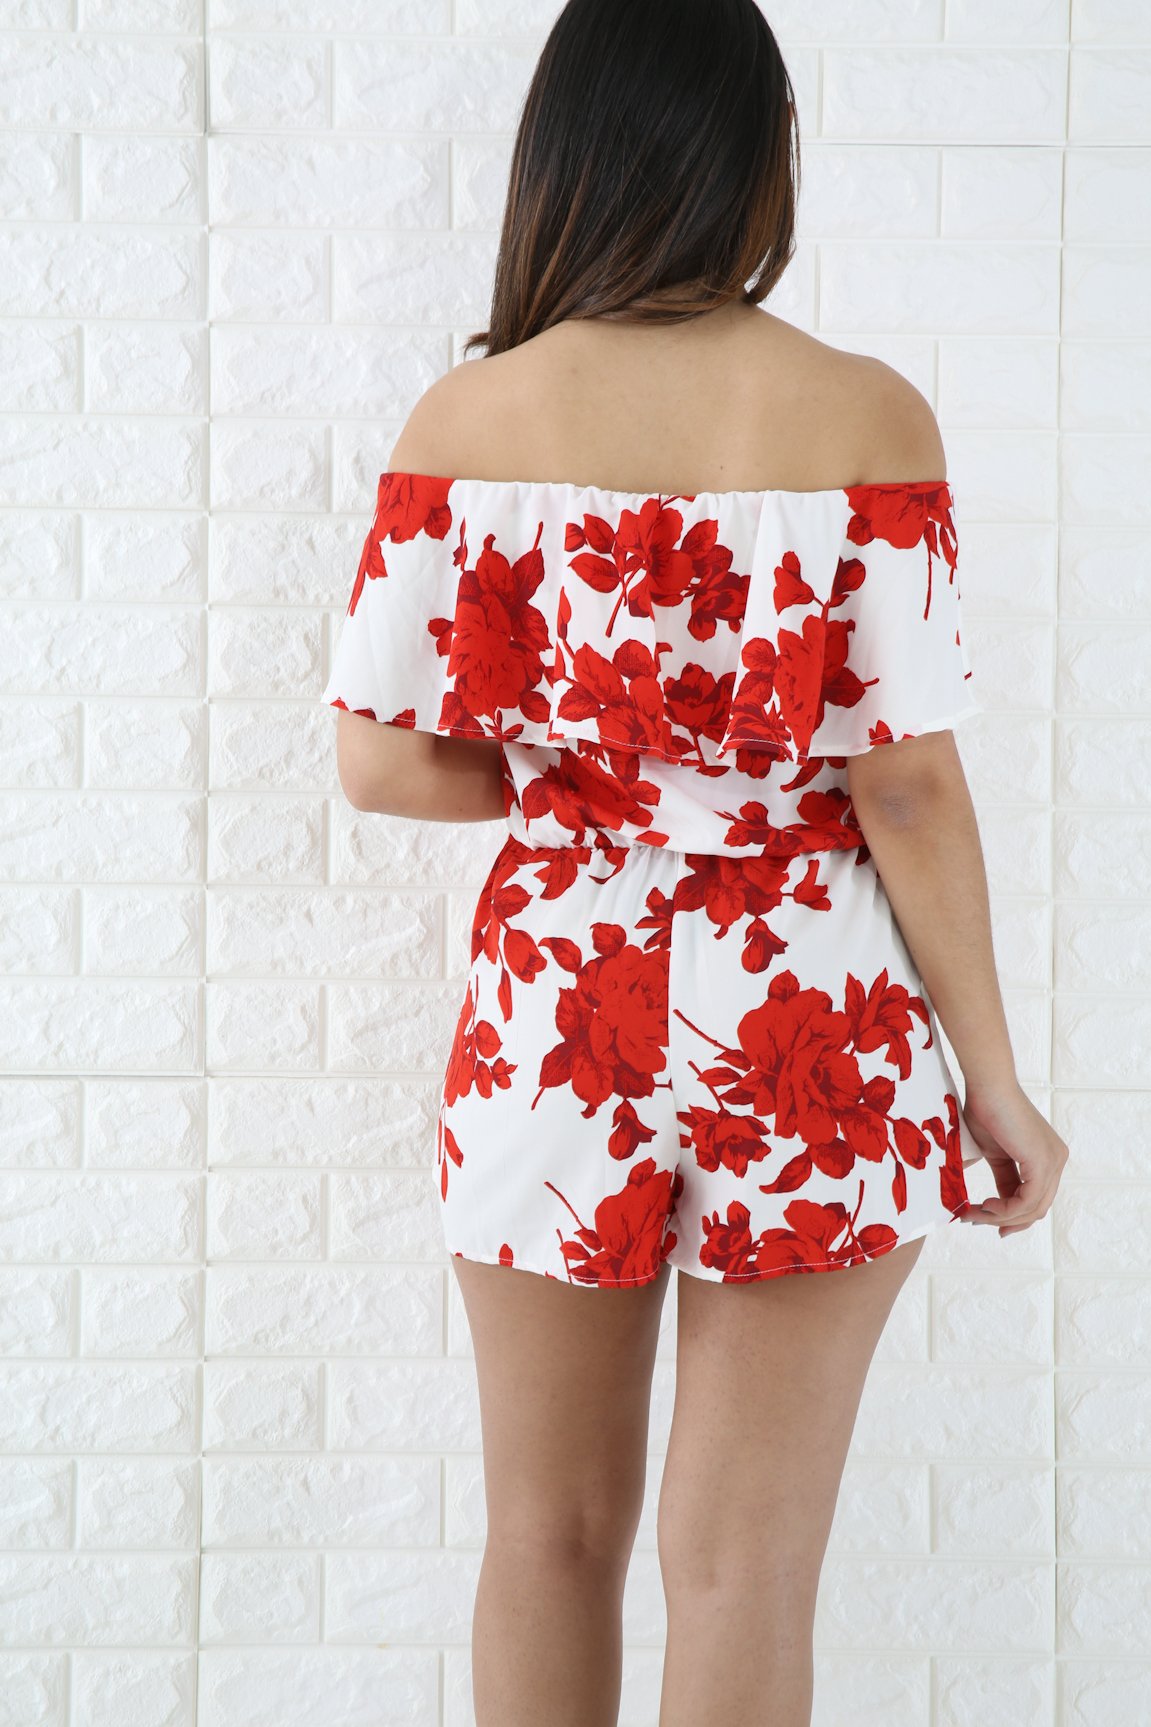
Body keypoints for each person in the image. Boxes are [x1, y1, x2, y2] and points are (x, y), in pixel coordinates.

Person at [322, 2, 1070, 1721]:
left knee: (546, 1538)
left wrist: (592, 794)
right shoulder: (864, 414)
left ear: (566, 157)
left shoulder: (468, 418)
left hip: (558, 1004)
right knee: (745, 1564)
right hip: (812, 1006)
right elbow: (907, 788)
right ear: (759, 162)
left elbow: (379, 762)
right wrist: (996, 1082)